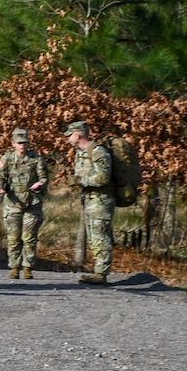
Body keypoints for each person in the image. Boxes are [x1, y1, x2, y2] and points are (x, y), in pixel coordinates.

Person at [0, 127, 48, 279]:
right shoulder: (7, 159)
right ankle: (14, 267)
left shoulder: (36, 159)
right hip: (12, 202)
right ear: (13, 143)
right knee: (13, 237)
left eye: (25, 142)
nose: (22, 145)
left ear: (29, 143)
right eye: (19, 143)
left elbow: (44, 177)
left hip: (32, 202)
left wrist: (40, 184)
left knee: (29, 237)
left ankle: (28, 267)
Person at [66, 121, 114, 285]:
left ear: (78, 135)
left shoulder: (99, 152)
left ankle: (101, 273)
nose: (68, 139)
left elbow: (103, 177)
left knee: (100, 236)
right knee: (94, 236)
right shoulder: (81, 153)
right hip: (89, 199)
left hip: (101, 200)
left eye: (70, 135)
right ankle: (98, 271)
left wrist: (81, 181)